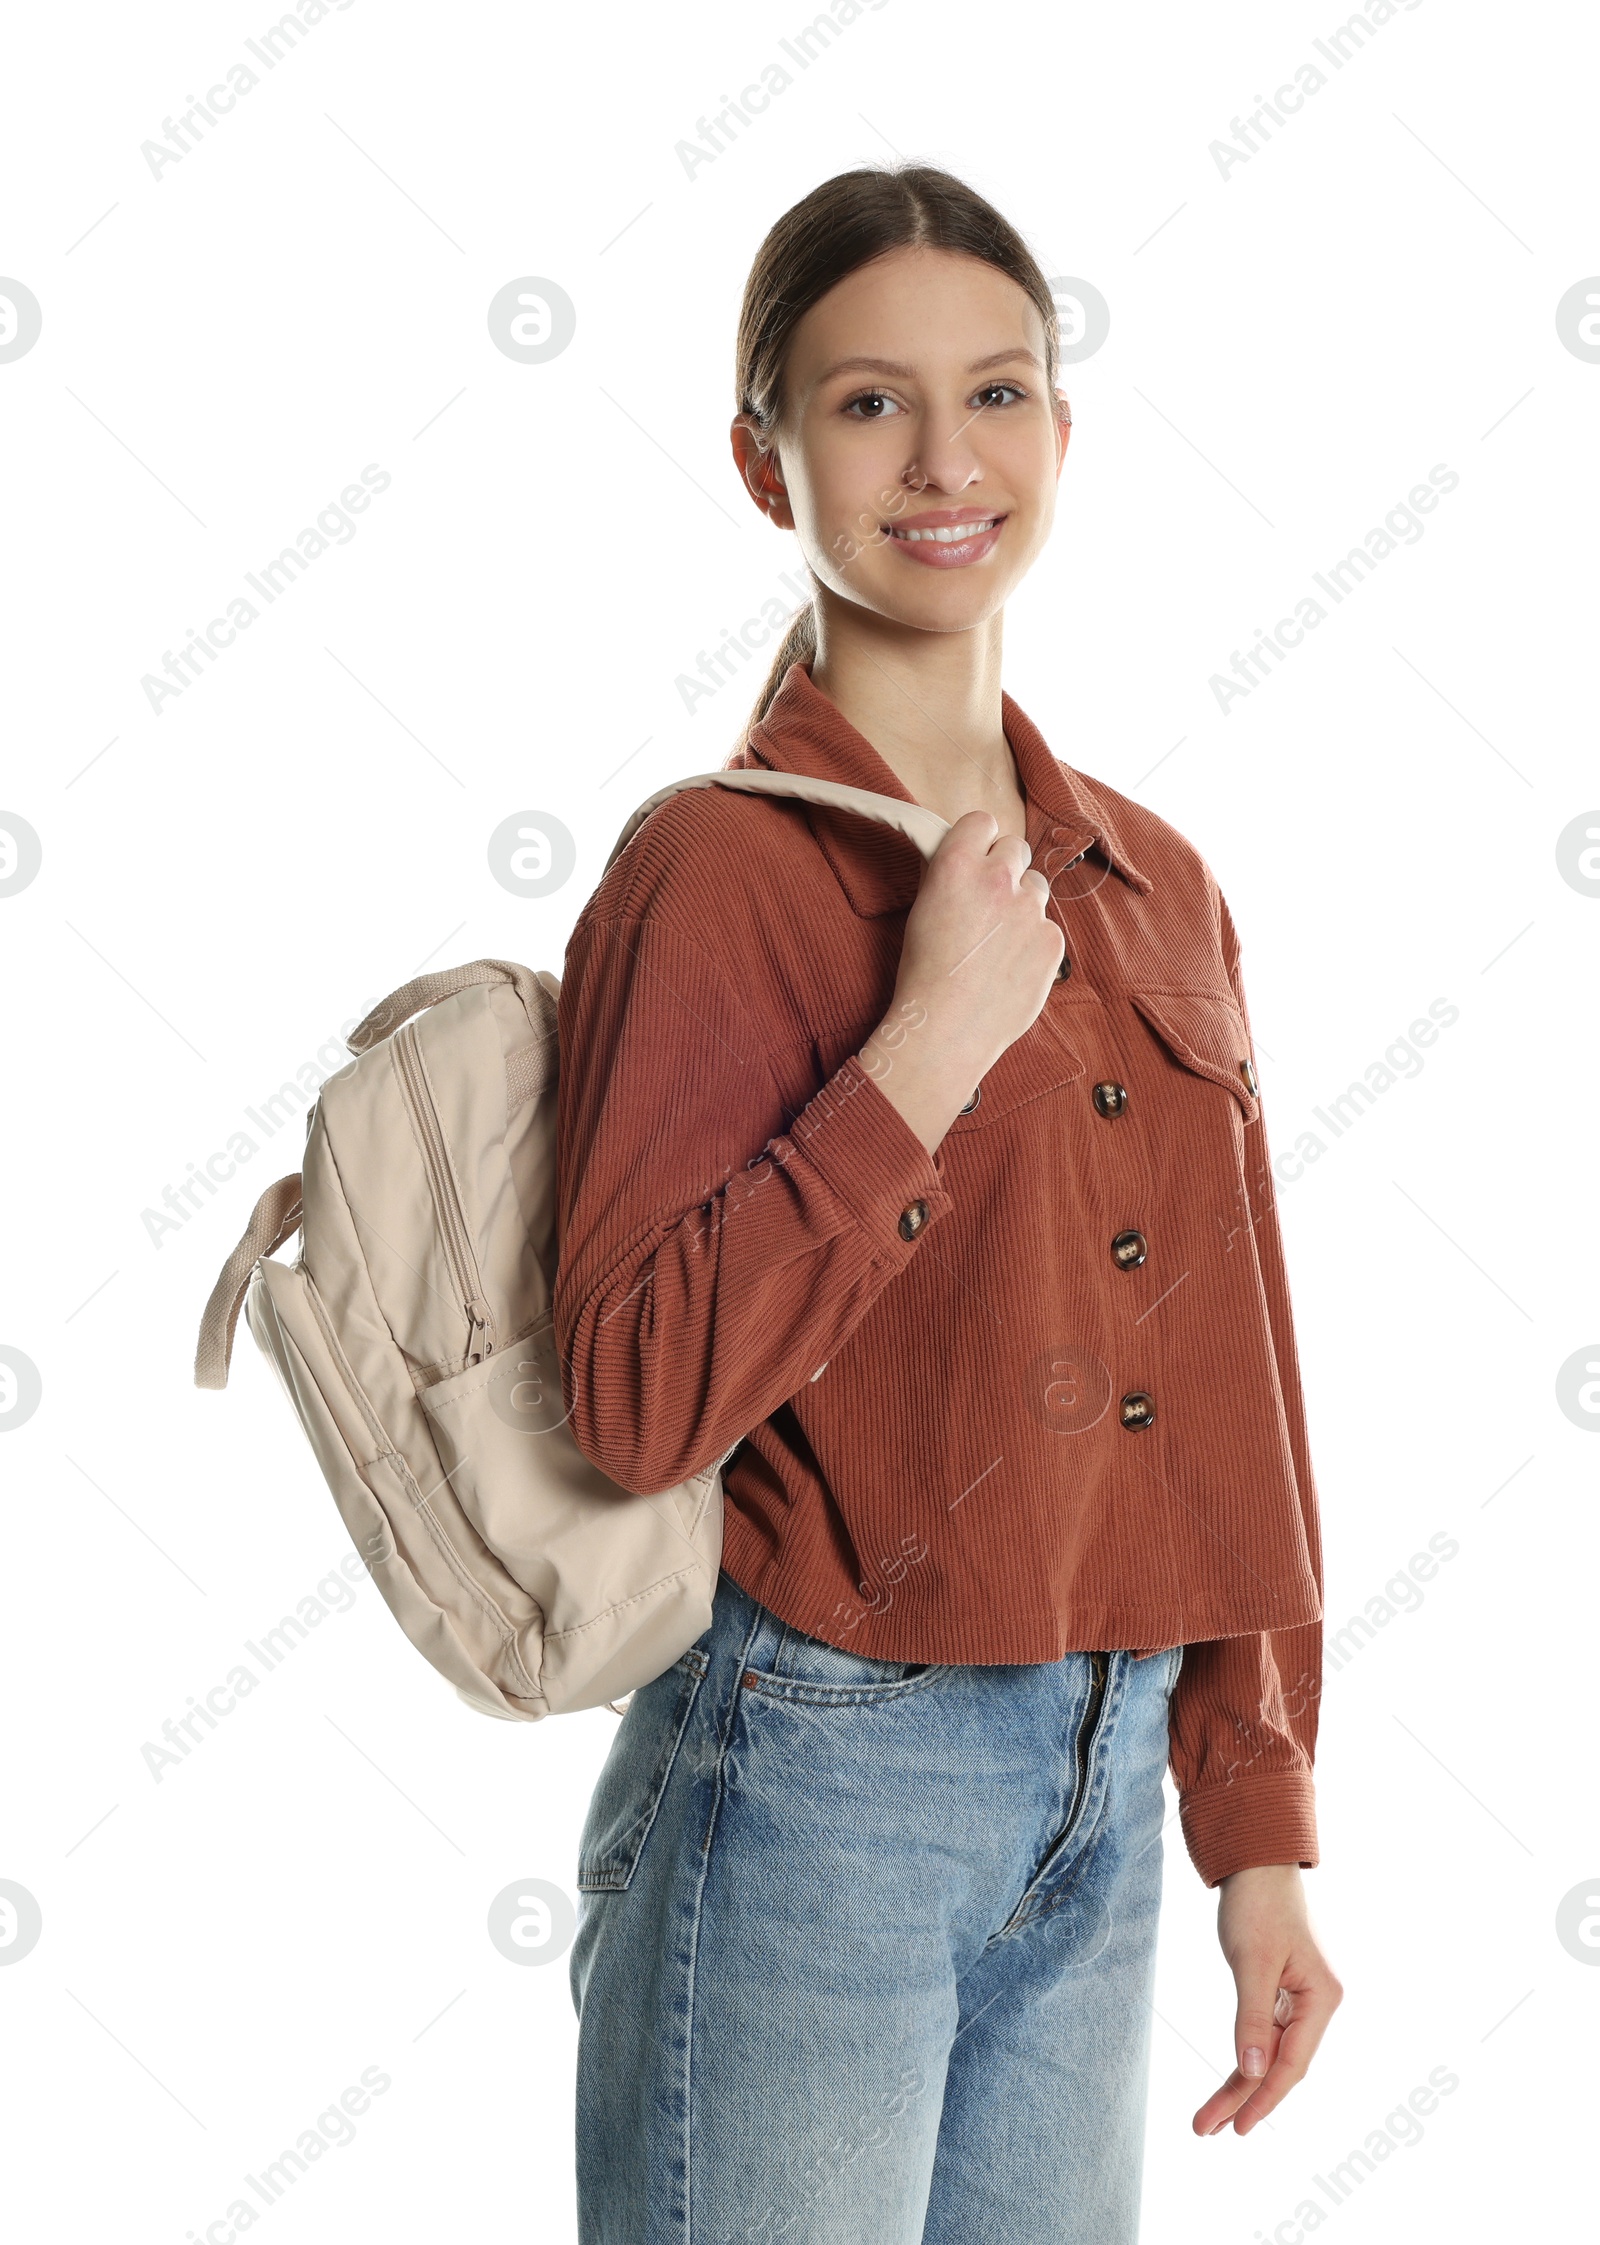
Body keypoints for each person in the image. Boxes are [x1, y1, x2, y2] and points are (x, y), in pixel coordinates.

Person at [552, 162, 1342, 2245]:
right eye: (864, 404)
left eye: (993, 394)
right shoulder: (712, 872)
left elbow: (1225, 1370)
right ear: (761, 458)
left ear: (1060, 436)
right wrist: (918, 1048)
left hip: (1102, 1761)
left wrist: (1253, 1823)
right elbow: (632, 1397)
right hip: (819, 1769)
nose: (941, 459)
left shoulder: (1150, 876)